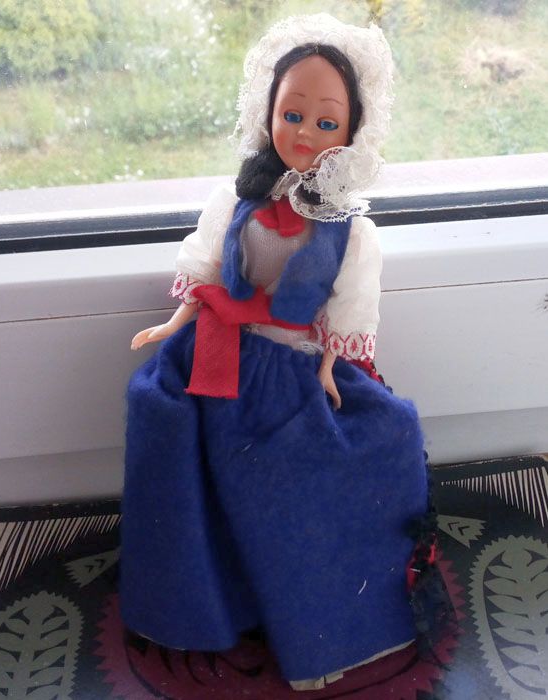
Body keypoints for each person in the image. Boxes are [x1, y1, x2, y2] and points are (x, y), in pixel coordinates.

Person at [120, 14, 444, 691]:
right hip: (217, 352)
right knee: (159, 413)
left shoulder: (350, 231)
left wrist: (329, 366)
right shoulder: (234, 200)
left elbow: (346, 311)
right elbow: (207, 270)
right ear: (266, 112)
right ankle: (203, 607)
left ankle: (331, 622)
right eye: (291, 114)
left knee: (361, 447)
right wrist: (172, 324)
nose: (303, 133)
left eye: (325, 122)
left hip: (293, 364)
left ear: (351, 132)